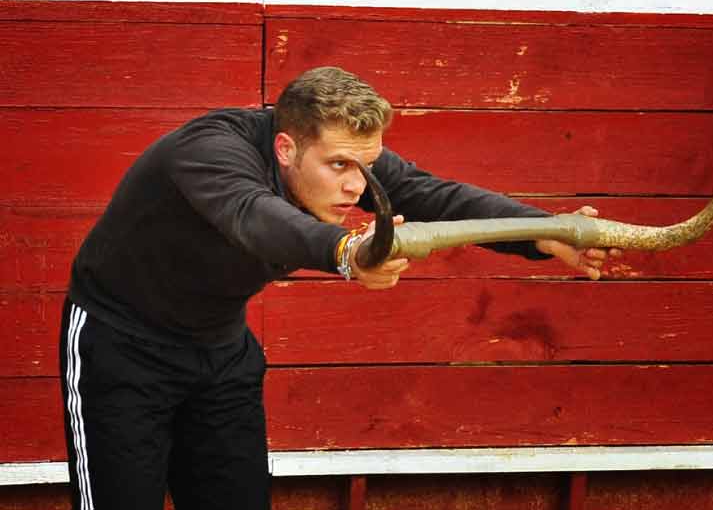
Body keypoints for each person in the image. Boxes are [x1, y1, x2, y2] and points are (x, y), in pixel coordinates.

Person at [60, 66, 620, 510]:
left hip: (220, 352)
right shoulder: (210, 151)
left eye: (367, 166)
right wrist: (348, 252)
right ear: (285, 149)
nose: (357, 186)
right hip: (123, 347)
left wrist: (545, 235)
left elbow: (438, 196)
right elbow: (256, 217)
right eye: (338, 166)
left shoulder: (352, 163)